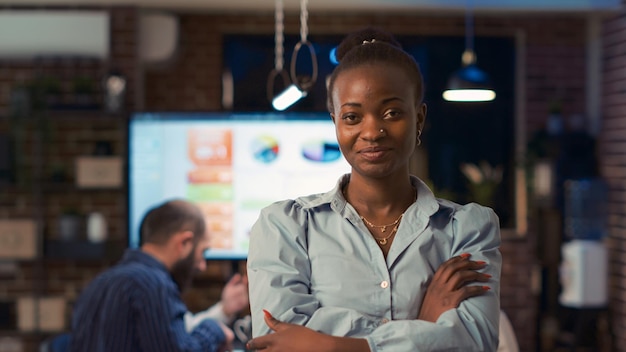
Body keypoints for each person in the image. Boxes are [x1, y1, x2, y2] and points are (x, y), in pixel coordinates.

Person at [246, 27, 501, 351]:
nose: (372, 131)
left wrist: (332, 345)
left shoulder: (467, 228)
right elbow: (277, 345)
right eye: (352, 116)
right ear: (336, 123)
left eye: (392, 113)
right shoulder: (285, 226)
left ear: (419, 119)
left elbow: (476, 343)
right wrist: (424, 328)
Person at [70, 199, 235, 352]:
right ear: (184, 242)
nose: (202, 265)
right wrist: (214, 329)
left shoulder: (99, 283)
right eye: (202, 252)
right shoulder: (154, 284)